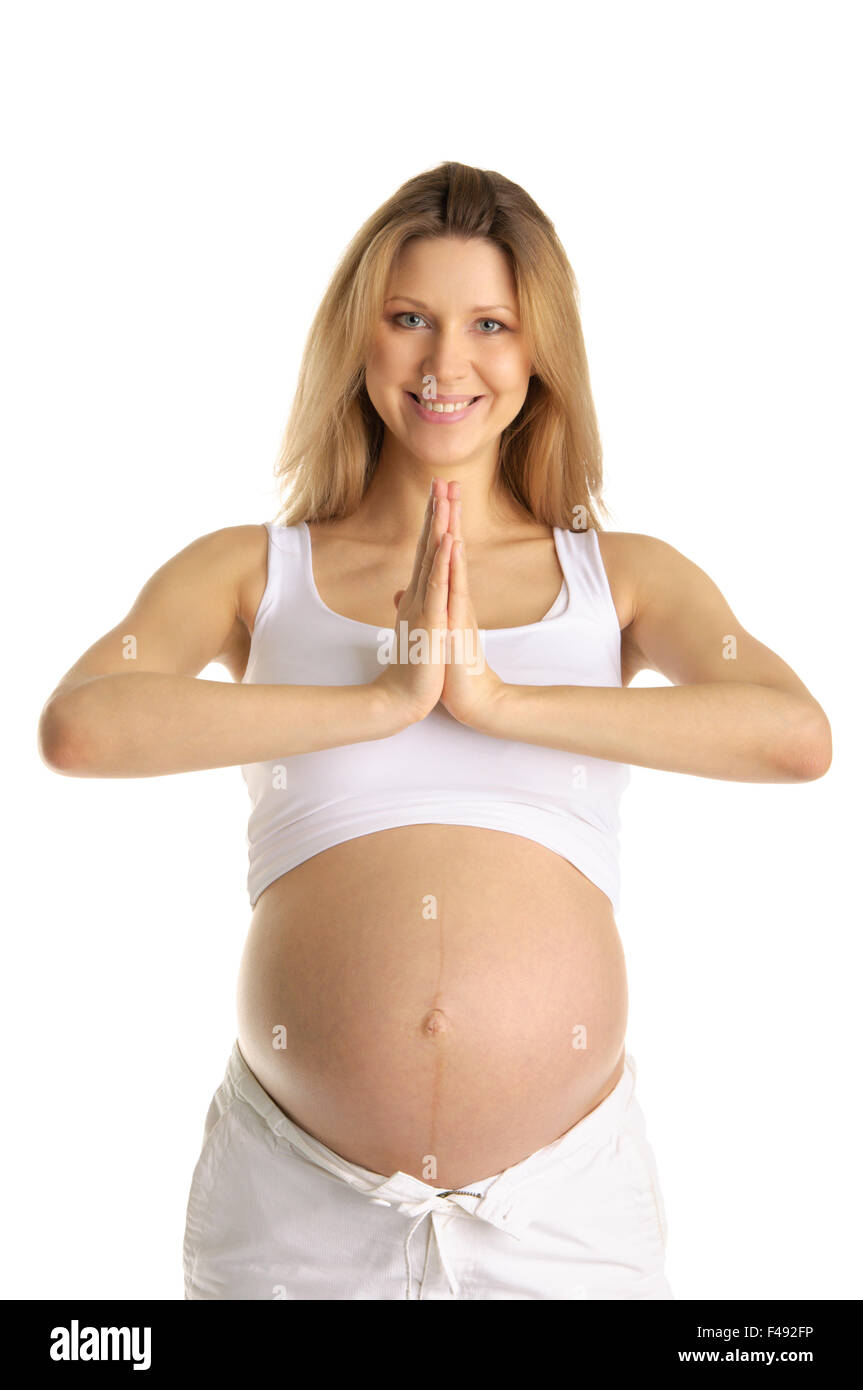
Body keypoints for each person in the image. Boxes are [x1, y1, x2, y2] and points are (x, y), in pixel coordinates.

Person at [37, 161, 832, 1301]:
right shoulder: (253, 568)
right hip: (297, 1207)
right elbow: (83, 725)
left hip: (560, 1211)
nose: (444, 362)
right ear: (355, 342)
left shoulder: (623, 577)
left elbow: (792, 736)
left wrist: (493, 698)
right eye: (407, 319)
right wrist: (381, 697)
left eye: (488, 324)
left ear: (536, 351)